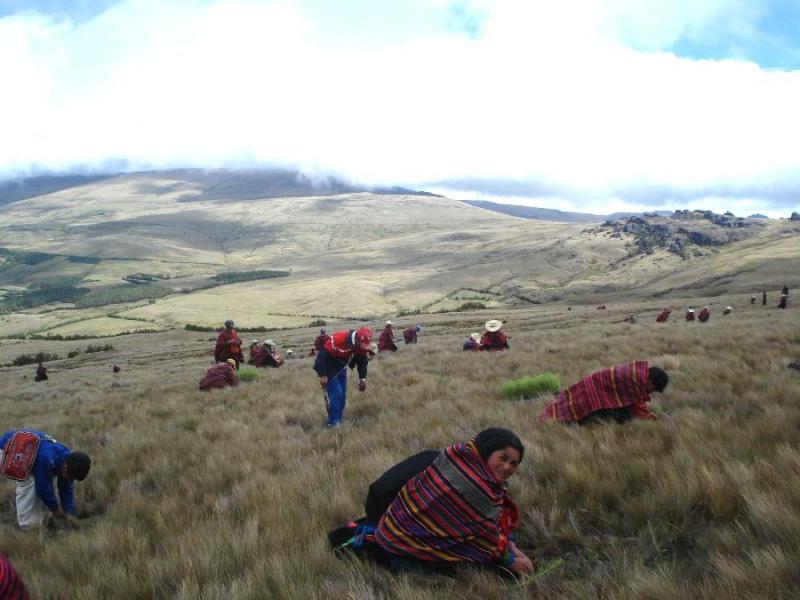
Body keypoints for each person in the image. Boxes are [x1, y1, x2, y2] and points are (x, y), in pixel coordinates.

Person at [370, 428, 534, 575]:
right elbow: (487, 539)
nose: (507, 467)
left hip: (390, 527)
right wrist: (510, 561)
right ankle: (408, 564)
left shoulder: (459, 458)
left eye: (514, 463)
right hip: (407, 545)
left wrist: (512, 547)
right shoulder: (477, 488)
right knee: (483, 565)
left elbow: (494, 519)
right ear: (488, 451)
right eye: (503, 458)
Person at [0, 430, 91, 529]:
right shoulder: (47, 458)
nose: (70, 479)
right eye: (70, 476)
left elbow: (66, 488)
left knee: (47, 480)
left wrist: (68, 513)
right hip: (8, 449)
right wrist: (56, 509)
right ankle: (28, 526)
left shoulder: (69, 461)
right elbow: (42, 488)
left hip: (30, 454)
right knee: (30, 483)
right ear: (65, 467)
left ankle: (45, 517)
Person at [539, 361, 668, 424]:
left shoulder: (639, 373)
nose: (651, 393)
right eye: (653, 389)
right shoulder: (636, 381)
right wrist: (654, 419)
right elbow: (638, 407)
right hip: (593, 393)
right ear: (650, 382)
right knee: (623, 418)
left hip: (593, 385)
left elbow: (636, 401)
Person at [313, 327, 373, 428]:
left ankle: (338, 420)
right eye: (363, 344)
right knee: (337, 393)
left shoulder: (361, 345)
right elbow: (322, 356)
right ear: (358, 340)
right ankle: (333, 424)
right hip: (329, 369)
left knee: (342, 396)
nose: (365, 347)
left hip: (342, 368)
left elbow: (362, 361)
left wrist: (362, 378)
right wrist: (323, 375)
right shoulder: (339, 339)